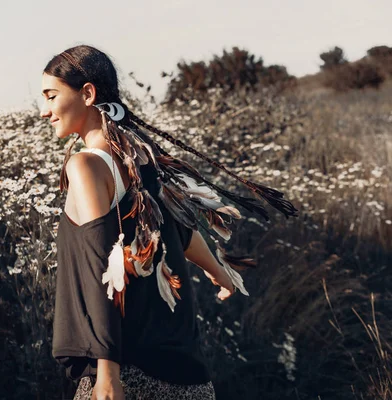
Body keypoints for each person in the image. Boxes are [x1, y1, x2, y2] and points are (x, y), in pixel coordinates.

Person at [39, 45, 297, 400]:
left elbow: (103, 270)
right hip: (187, 377)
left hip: (127, 375)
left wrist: (108, 374)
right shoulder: (138, 156)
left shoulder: (85, 167)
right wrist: (218, 268)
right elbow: (175, 228)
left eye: (51, 96)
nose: (44, 111)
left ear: (87, 93)